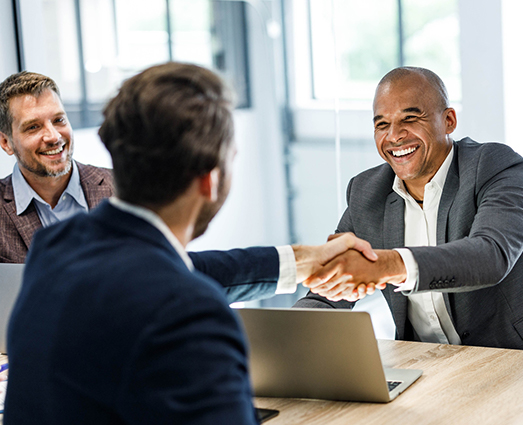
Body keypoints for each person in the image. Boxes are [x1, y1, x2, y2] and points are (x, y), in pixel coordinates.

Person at [3, 63, 377, 424]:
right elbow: (172, 286)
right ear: (210, 179)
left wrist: (304, 260)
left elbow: (176, 271)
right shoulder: (192, 315)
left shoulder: (57, 248)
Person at [294, 66, 523, 353]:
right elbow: (331, 289)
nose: (394, 136)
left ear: (449, 120)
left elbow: (490, 255)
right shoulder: (367, 192)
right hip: (430, 368)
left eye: (410, 119)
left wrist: (387, 266)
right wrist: (285, 338)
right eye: (381, 124)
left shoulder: (496, 166)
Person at [0, 71, 113, 263]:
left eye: (59, 120)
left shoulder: (121, 188)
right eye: (33, 127)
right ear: (6, 142)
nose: (53, 137)